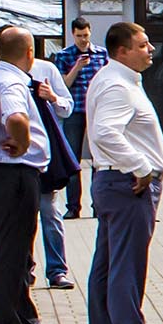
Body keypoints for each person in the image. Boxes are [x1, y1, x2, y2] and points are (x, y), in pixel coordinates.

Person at [83, 21, 163, 324]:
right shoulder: (117, 86)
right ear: (121, 51)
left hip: (114, 181)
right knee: (127, 265)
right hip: (127, 184)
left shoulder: (115, 81)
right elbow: (107, 132)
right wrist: (140, 166)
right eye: (142, 45)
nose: (150, 49)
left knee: (108, 264)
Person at [0, 27, 60, 324]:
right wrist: (22, 143)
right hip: (13, 174)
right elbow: (16, 118)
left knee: (18, 252)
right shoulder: (11, 82)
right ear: (30, 54)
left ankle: (27, 323)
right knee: (12, 254)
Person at [23, 34, 81, 288]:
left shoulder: (46, 69)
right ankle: (25, 269)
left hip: (46, 153)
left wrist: (52, 97)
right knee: (22, 217)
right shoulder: (3, 76)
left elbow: (67, 106)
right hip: (18, 157)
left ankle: (57, 270)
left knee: (49, 213)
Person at [50, 16, 104, 220]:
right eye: (79, 36)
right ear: (73, 34)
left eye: (86, 35)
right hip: (74, 111)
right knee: (73, 159)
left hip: (96, 112)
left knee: (98, 158)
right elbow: (63, 84)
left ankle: (98, 205)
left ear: (90, 33)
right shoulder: (64, 56)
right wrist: (77, 67)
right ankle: (73, 206)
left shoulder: (101, 54)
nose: (83, 39)